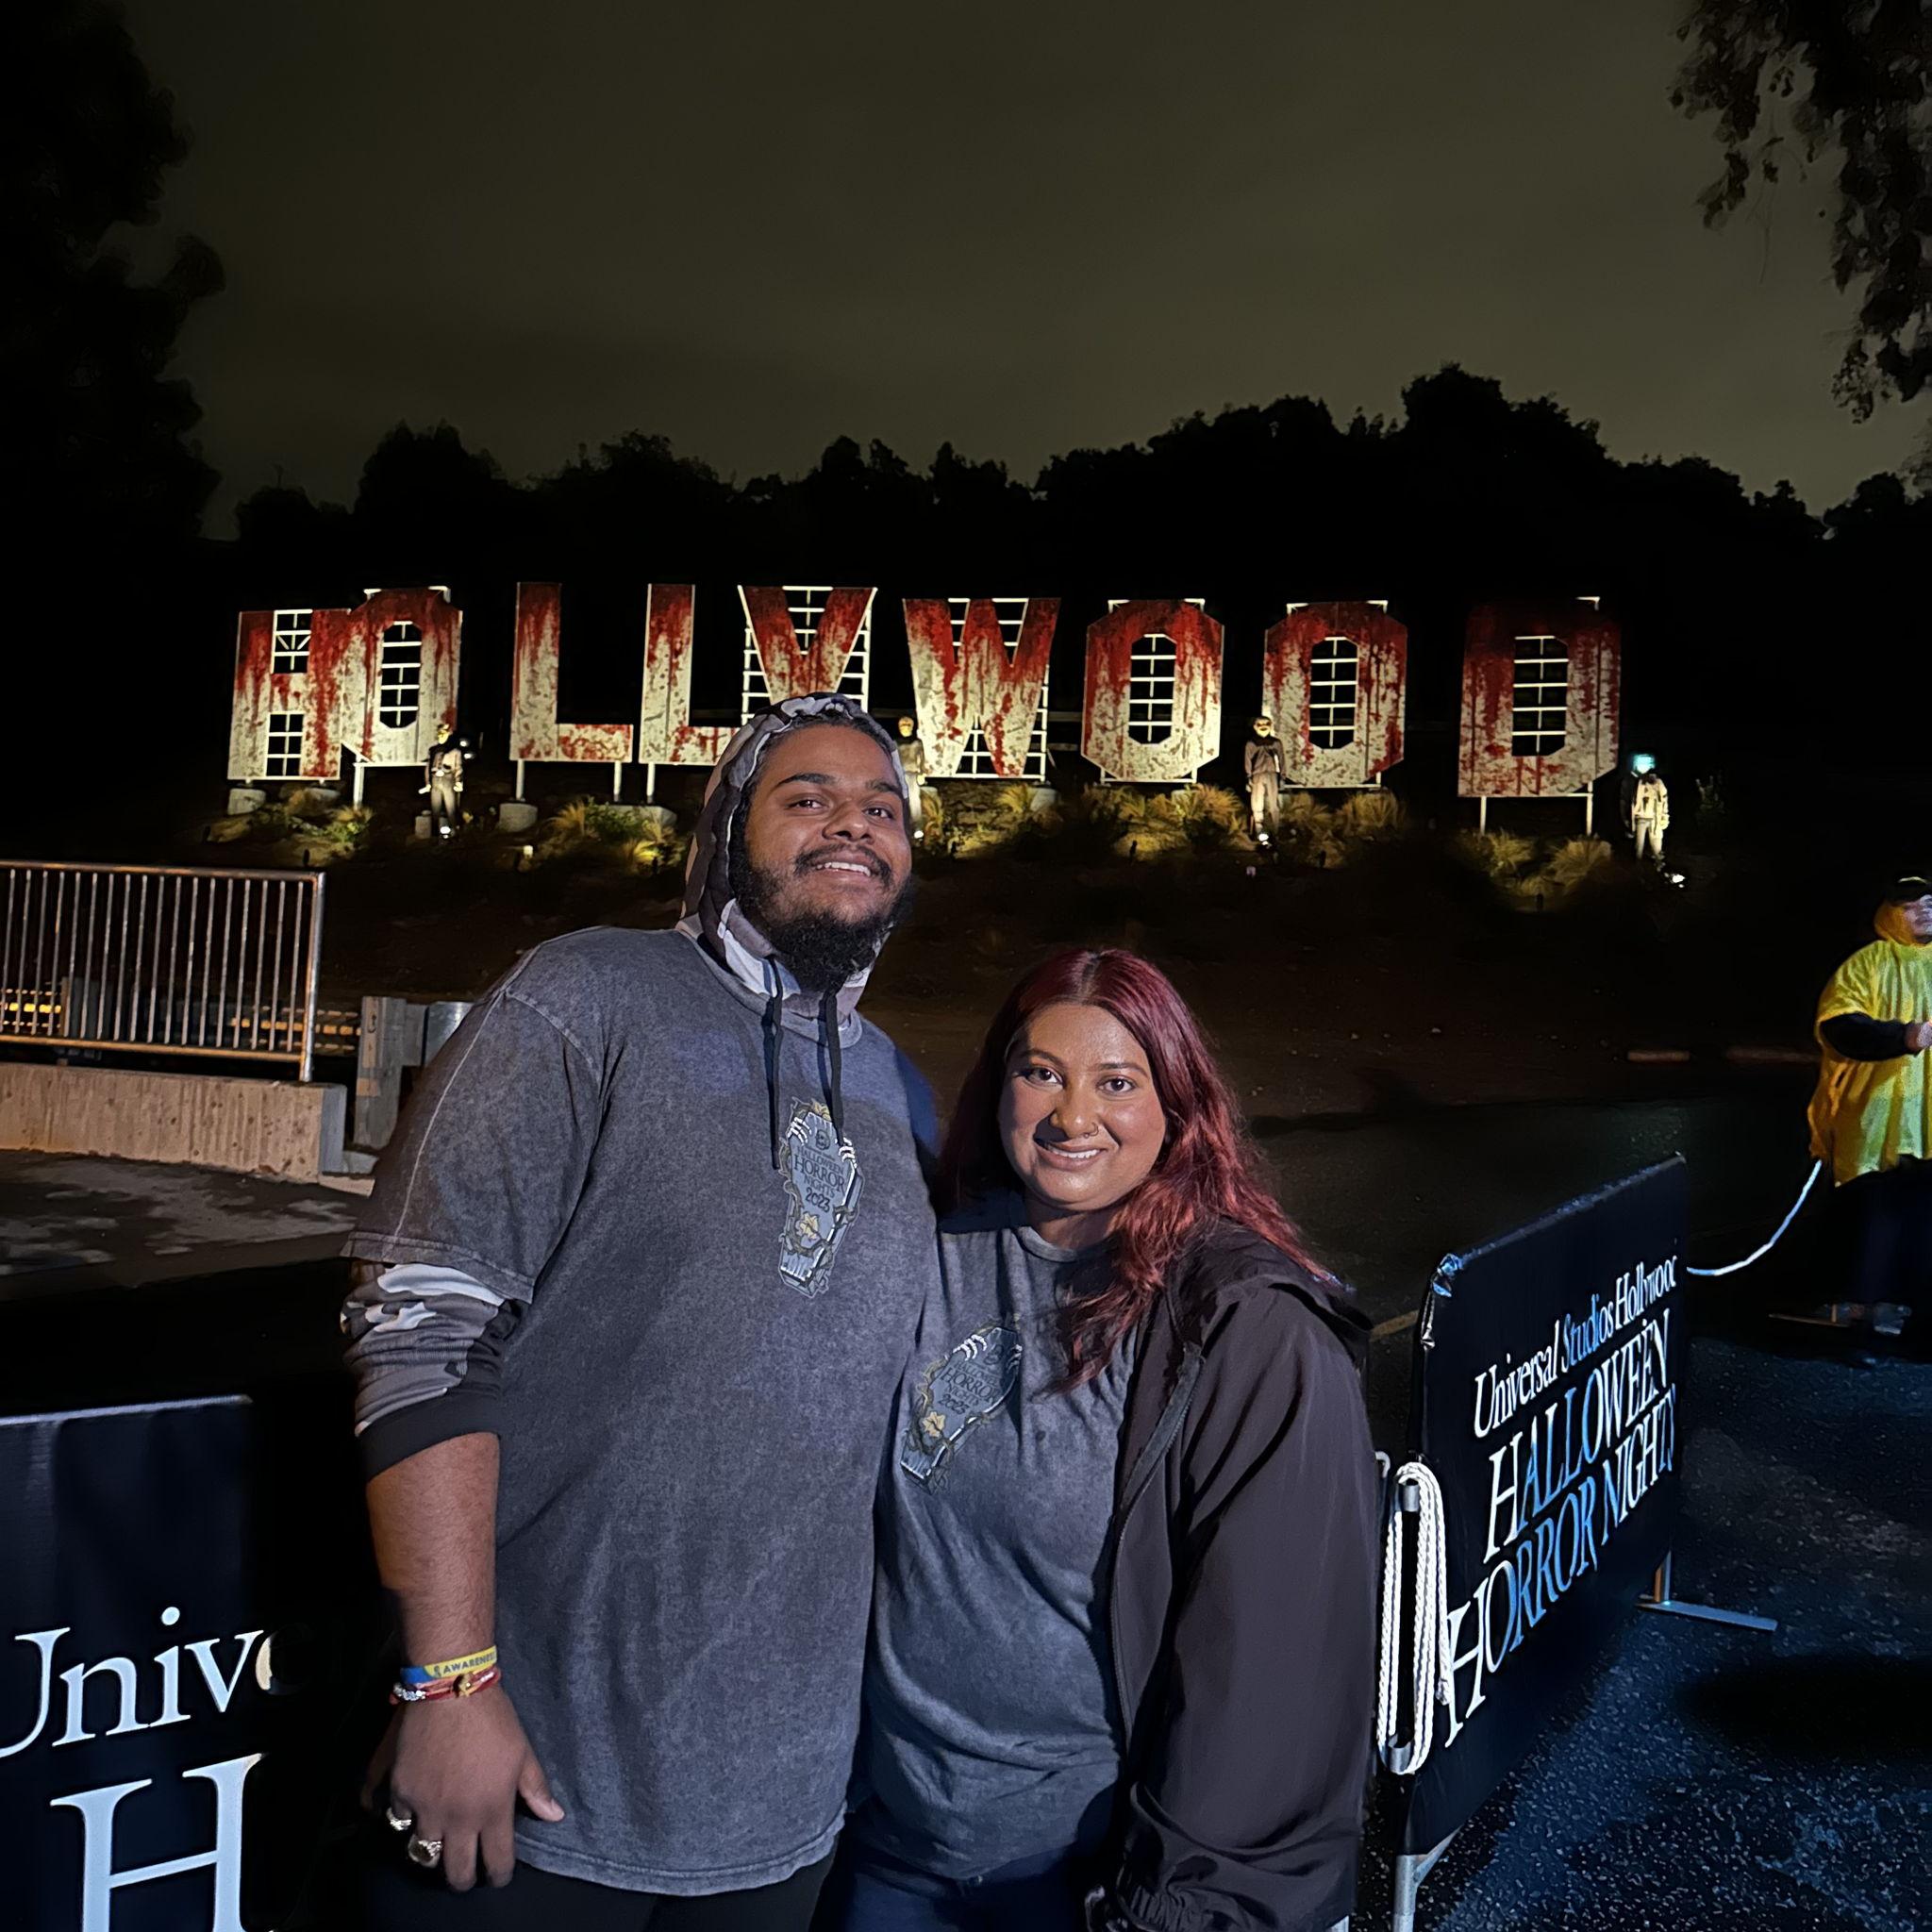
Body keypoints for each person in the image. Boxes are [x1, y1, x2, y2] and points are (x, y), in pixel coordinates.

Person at [341, 693, 939, 1928]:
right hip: (527, 1780)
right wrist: (447, 1682)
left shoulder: (900, 1090)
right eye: (808, 797)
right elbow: (421, 1324)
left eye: (883, 809)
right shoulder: (586, 998)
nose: (854, 825)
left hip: (784, 1809)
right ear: (727, 830)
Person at [824, 948, 1379, 1932]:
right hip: (891, 1849)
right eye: (1040, 1072)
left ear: (1177, 1105)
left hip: (1083, 1875)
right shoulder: (931, 1247)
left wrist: (1182, 1909)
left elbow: (1270, 1674)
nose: (1072, 1116)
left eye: (1116, 1082)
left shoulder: (1242, 1325)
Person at [1808, 874, 1932, 1343]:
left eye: (1930, 902)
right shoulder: (1867, 965)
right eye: (1911, 905)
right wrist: (1904, 1036)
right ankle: (1862, 1323)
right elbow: (1839, 1026)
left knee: (1922, 1224)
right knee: (1874, 1220)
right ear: (1890, 914)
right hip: (1879, 1118)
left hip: (1929, 1123)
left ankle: (1918, 1322)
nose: (1924, 910)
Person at [1243, 714, 1287, 843]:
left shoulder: (1276, 743)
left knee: (1274, 804)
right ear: (1255, 727)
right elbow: (1247, 761)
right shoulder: (1251, 744)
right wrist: (1248, 777)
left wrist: (1282, 777)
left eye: (1266, 724)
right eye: (1260, 724)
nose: (1263, 727)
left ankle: (1275, 832)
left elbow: (1282, 759)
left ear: (1270, 726)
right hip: (1257, 775)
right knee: (1257, 803)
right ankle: (1259, 831)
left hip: (1272, 774)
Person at [1621, 753, 1669, 865]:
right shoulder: (1631, 780)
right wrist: (1626, 818)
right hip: (1640, 817)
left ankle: (1658, 865)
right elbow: (1625, 800)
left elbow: (1664, 800)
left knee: (1656, 844)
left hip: (1655, 818)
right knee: (1639, 846)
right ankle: (1638, 867)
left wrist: (1664, 816)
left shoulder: (1658, 782)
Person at [893, 716, 929, 842]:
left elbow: (922, 759)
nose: (905, 727)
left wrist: (922, 773)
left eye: (908, 725)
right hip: (899, 774)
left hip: (913, 774)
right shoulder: (895, 742)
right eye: (903, 725)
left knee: (914, 800)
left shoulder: (917, 743)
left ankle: (917, 826)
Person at [425, 731, 466, 840]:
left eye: (443, 736)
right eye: (439, 735)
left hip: (448, 779)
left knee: (451, 807)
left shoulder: (455, 751)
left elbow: (458, 767)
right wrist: (428, 782)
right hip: (435, 780)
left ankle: (454, 831)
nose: (441, 738)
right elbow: (428, 766)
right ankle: (434, 833)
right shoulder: (433, 750)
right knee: (435, 808)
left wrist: (458, 782)